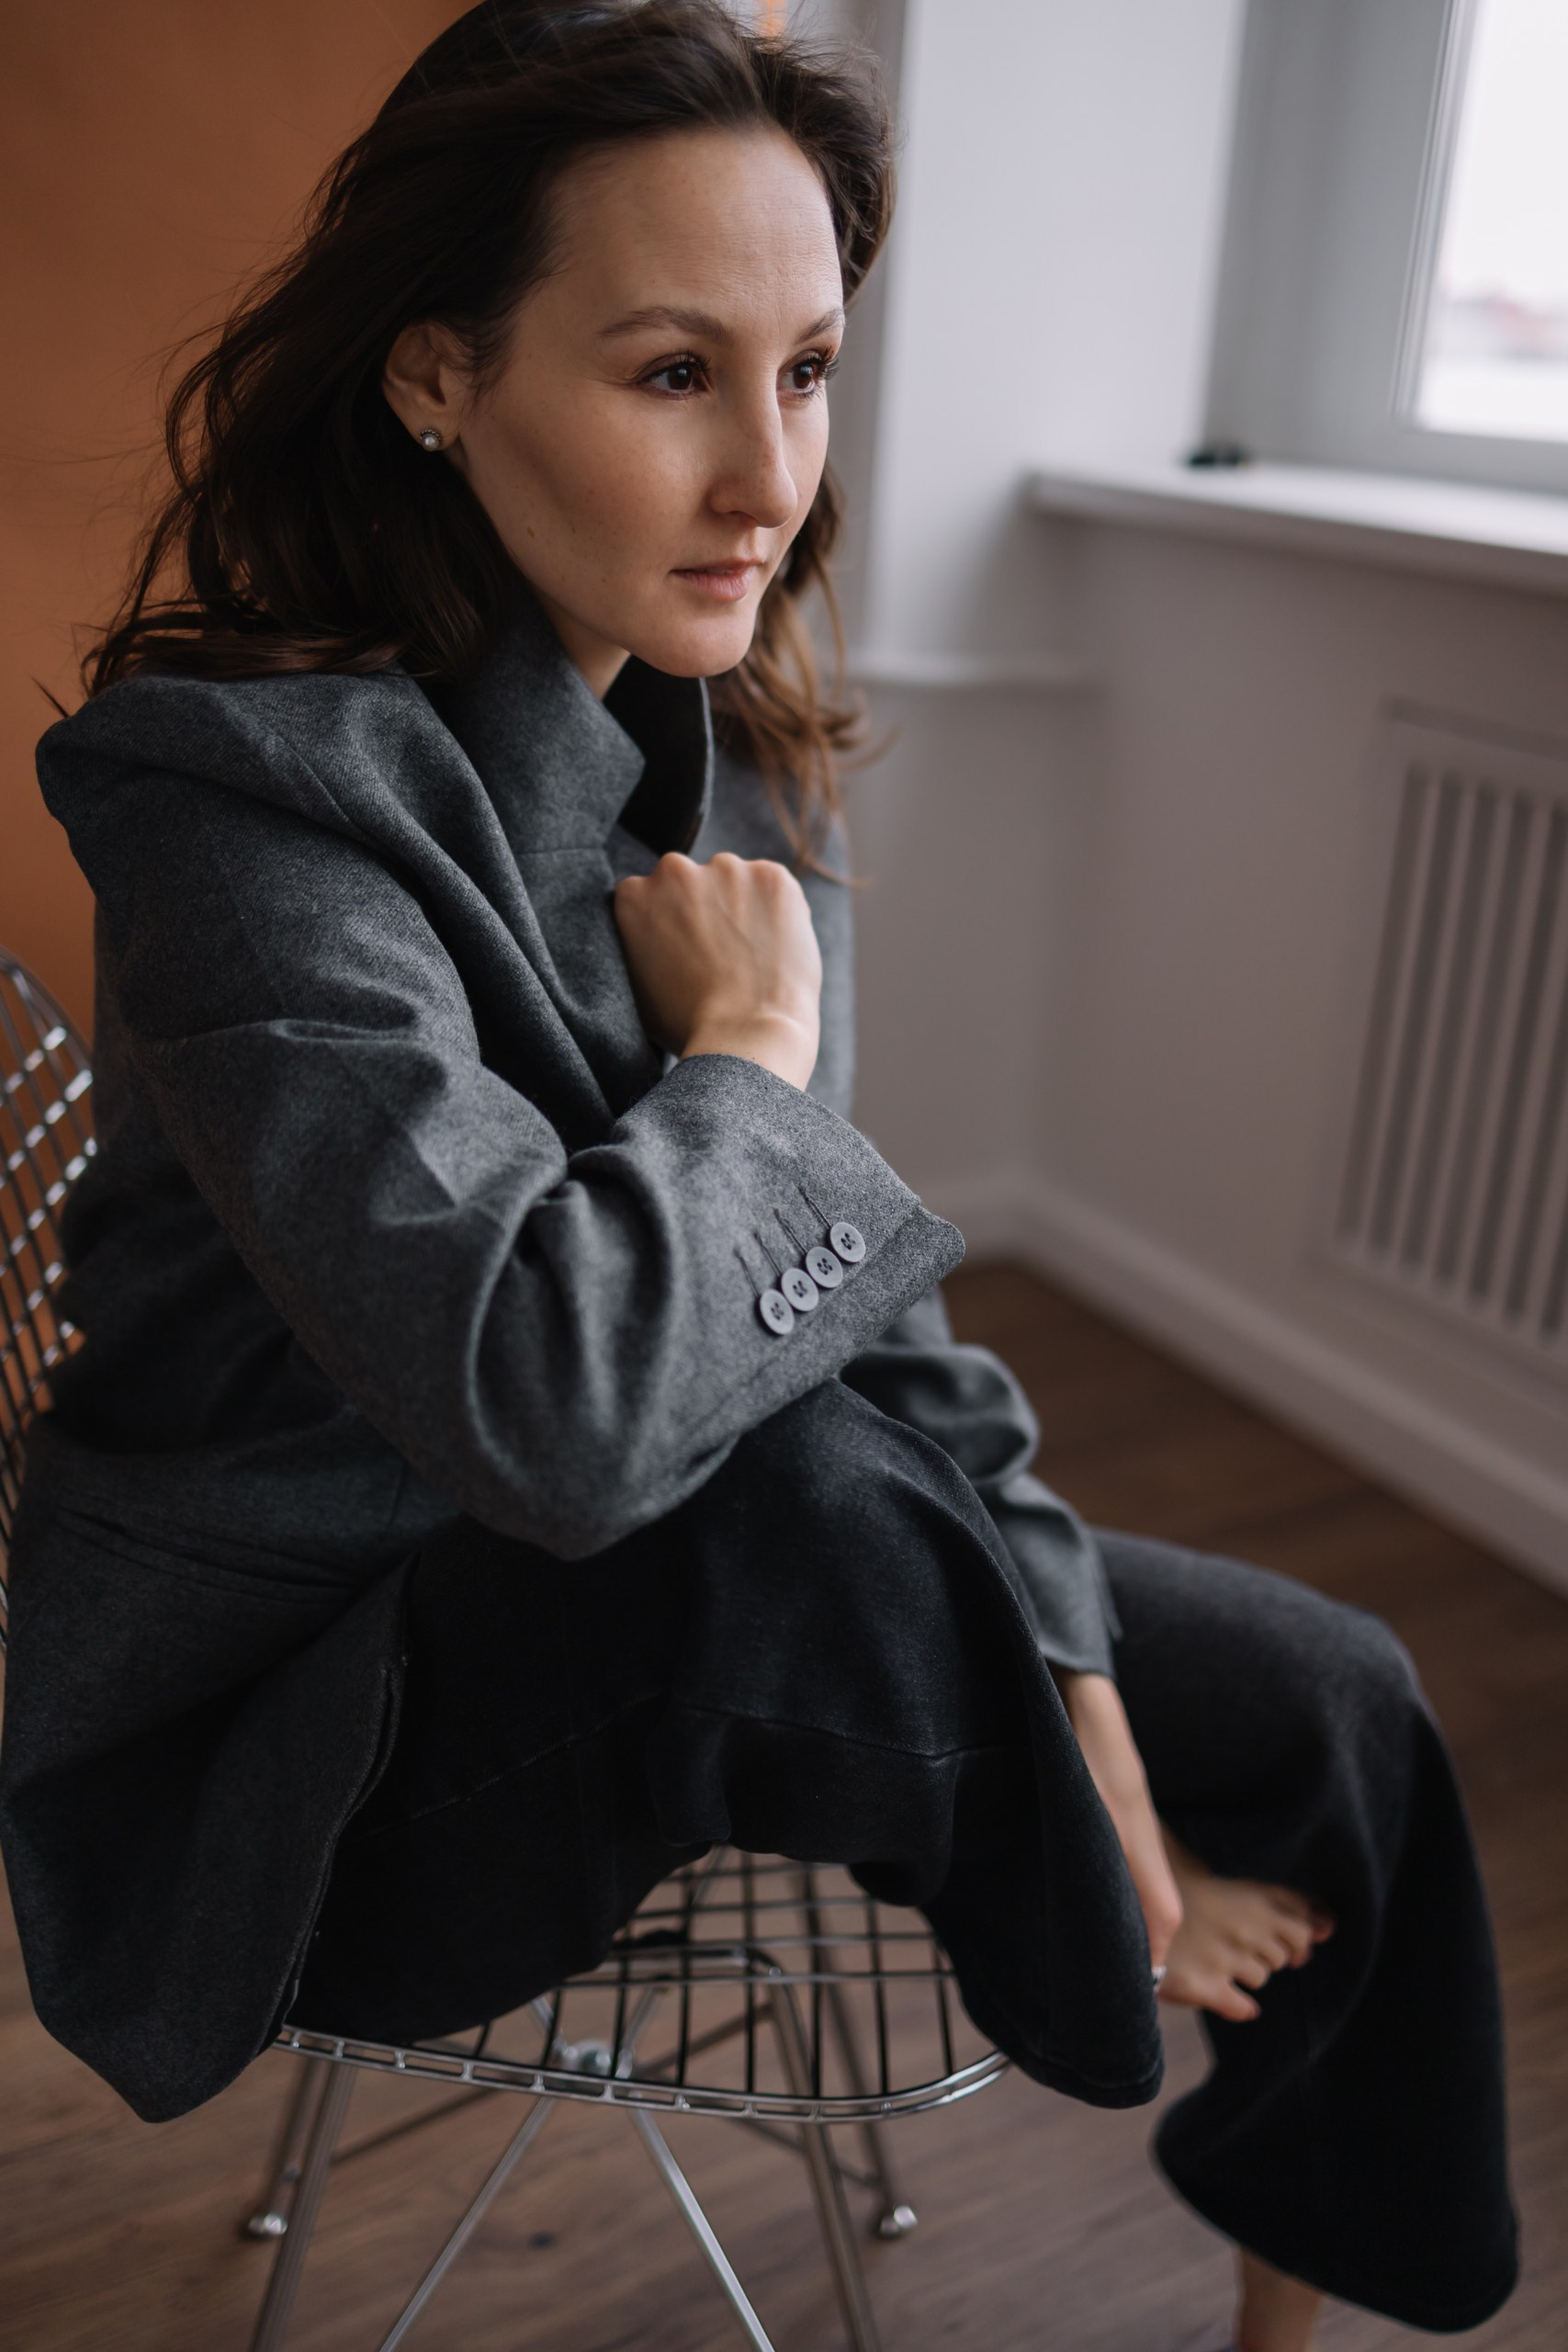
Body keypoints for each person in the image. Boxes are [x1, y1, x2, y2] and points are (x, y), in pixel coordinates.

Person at [0, 6, 1517, 2346]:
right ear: (436, 373)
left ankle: (1281, 2283)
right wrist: (749, 1053)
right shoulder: (240, 810)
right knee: (793, 1502)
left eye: (803, 370)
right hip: (319, 1730)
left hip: (725, 1581)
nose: (767, 476)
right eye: (669, 373)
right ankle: (1092, 1907)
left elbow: (862, 1303)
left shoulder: (732, 746)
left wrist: (1085, 1683)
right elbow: (555, 1414)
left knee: (1332, 1687)